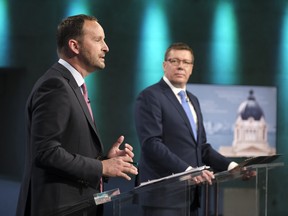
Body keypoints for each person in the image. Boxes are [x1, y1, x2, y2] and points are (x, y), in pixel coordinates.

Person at [16, 14, 138, 216]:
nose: (106, 47)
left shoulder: (72, 86)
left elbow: (68, 148)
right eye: (98, 40)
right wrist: (100, 167)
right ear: (74, 46)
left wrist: (105, 160)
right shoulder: (55, 85)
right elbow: (46, 152)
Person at [134, 42, 238, 216]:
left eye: (186, 62)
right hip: (163, 196)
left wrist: (232, 166)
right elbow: (151, 144)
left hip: (191, 195)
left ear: (191, 68)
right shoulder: (150, 96)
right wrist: (189, 171)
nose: (180, 66)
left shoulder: (193, 100)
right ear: (164, 65)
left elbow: (202, 148)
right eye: (174, 61)